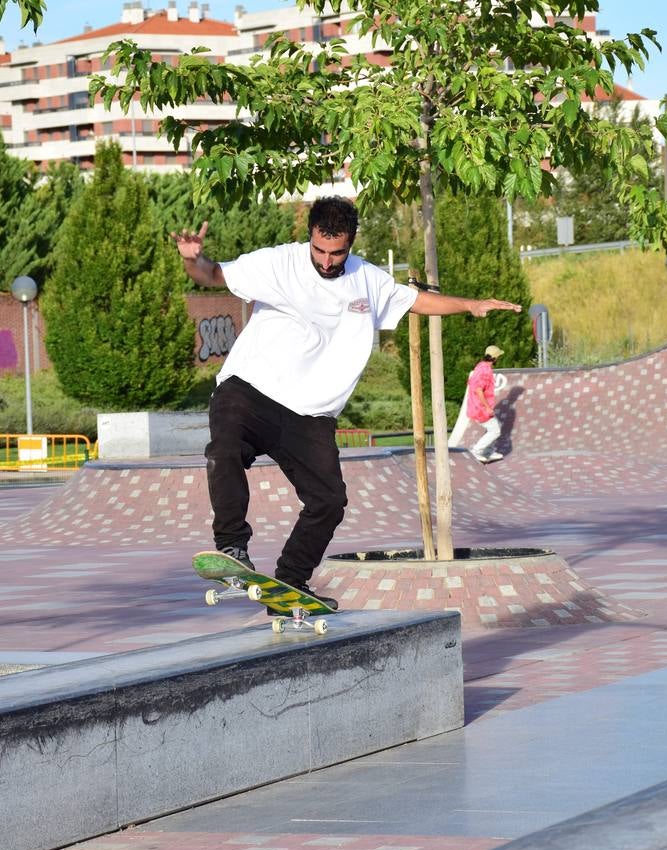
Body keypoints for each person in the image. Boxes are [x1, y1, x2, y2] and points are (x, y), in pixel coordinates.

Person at [173, 196, 522, 607]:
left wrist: (469, 305)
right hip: (251, 390)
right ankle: (232, 545)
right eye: (319, 250)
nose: (326, 261)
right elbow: (212, 275)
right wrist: (192, 260)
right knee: (225, 448)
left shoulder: (367, 280)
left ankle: (291, 581)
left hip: (311, 415)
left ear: (351, 244)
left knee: (329, 501)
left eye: (336, 253)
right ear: (310, 238)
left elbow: (414, 302)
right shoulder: (278, 263)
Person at [465, 345, 504, 463]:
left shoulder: (480, 366)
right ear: (495, 358)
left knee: (493, 427)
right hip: (480, 408)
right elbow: (478, 389)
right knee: (495, 430)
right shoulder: (486, 371)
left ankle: (488, 451)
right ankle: (476, 451)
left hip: (475, 405)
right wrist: (487, 407)